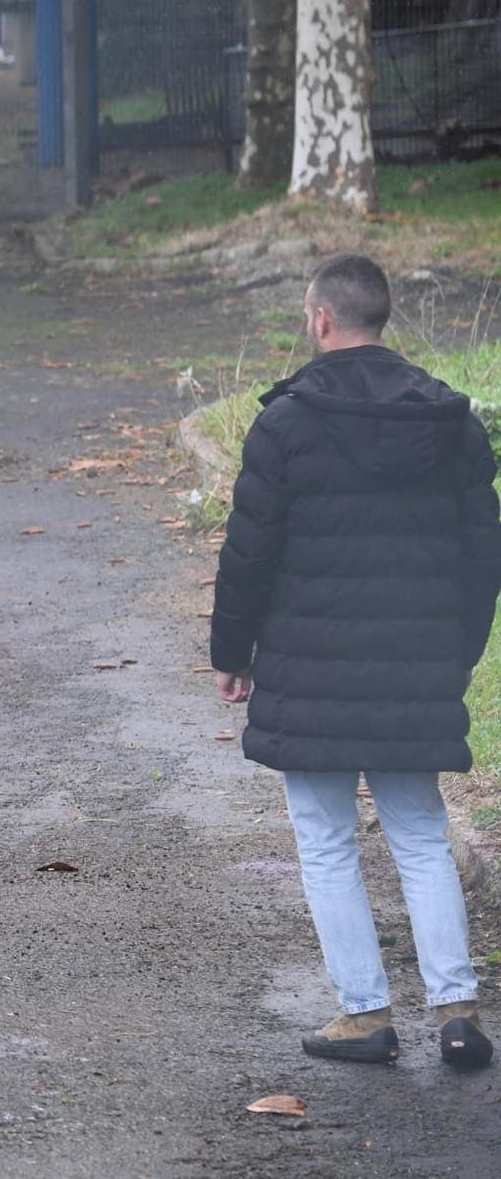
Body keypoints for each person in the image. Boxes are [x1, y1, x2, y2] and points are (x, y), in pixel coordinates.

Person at [212, 254, 501, 1071]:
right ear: (383, 318)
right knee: (420, 832)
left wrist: (231, 654)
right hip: (416, 665)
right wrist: (458, 650)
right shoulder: (450, 420)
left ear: (320, 319)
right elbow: (486, 554)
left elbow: (249, 553)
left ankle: (365, 1013)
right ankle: (456, 1011)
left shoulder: (286, 423)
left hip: (310, 674)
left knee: (327, 838)